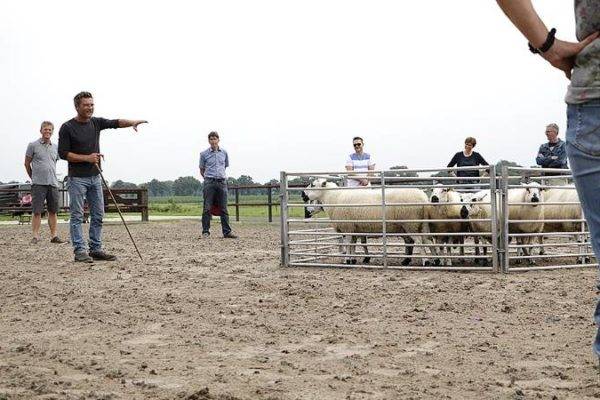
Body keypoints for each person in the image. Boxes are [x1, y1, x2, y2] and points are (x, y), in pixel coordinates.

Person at [497, 0, 600, 359]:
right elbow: (544, 159)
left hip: (594, 96)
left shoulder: (553, 147)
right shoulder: (544, 147)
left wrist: (547, 45)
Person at [58, 91, 147, 263]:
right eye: (86, 105)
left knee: (98, 214)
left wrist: (133, 123)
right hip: (77, 178)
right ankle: (79, 251)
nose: (90, 107)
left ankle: (96, 249)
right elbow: (63, 153)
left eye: (92, 104)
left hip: (95, 176)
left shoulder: (96, 123)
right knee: (77, 215)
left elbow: (115, 122)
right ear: (77, 106)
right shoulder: (67, 127)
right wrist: (87, 158)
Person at [24, 121, 67, 244]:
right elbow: (27, 163)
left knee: (53, 211)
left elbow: (54, 163)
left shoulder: (56, 147)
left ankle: (54, 236)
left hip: (53, 183)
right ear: (41, 130)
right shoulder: (32, 145)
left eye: (49, 130)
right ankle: (35, 236)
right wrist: (33, 177)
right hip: (38, 183)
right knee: (37, 211)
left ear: (52, 132)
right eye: (45, 129)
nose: (47, 131)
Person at [199, 131, 237, 239]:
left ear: (218, 140)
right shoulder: (203, 154)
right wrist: (208, 179)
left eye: (215, 139)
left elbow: (224, 166)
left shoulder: (224, 153)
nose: (213, 141)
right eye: (211, 139)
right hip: (209, 182)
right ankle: (205, 231)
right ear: (209, 141)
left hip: (221, 182)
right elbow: (202, 170)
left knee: (224, 208)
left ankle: (227, 232)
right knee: (207, 208)